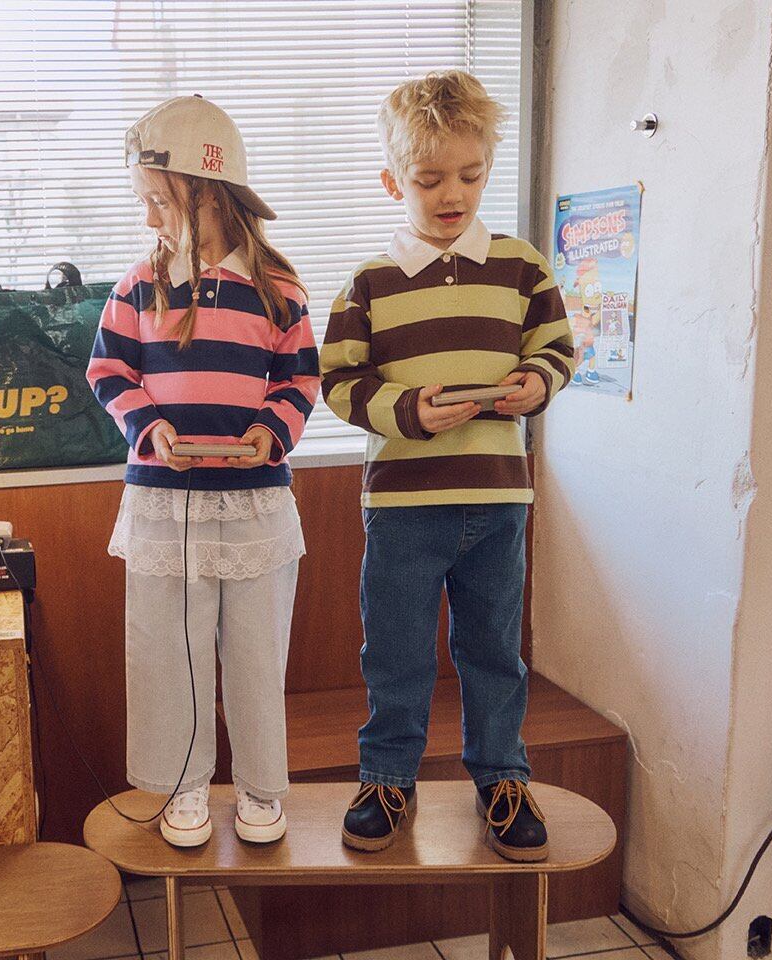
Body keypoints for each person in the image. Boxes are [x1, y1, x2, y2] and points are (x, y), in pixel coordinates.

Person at [320, 71, 574, 861]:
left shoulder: (522, 267)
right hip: (403, 505)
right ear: (394, 180)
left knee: (493, 650)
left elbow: (558, 351)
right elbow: (339, 381)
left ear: (487, 169)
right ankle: (386, 779)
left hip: (499, 499)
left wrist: (536, 384)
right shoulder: (369, 282)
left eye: (469, 175)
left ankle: (502, 777)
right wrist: (408, 412)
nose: (451, 194)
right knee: (395, 652)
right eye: (429, 179)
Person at [87, 95, 320, 848]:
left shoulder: (278, 289)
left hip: (253, 502)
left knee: (255, 652)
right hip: (164, 500)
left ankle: (260, 786)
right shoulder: (138, 285)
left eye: (158, 201)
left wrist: (268, 433)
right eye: (144, 201)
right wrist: (148, 428)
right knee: (169, 650)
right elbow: (108, 372)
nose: (149, 217)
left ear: (209, 192)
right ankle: (183, 784)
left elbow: (300, 380)